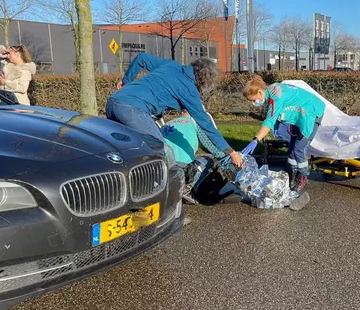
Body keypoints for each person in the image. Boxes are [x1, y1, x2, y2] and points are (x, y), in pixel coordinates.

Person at [107, 53, 243, 168]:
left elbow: (141, 57)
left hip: (113, 102)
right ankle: (173, 190)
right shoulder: (189, 90)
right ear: (205, 79)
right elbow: (206, 124)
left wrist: (126, 81)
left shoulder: (171, 65)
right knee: (162, 151)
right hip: (132, 110)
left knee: (125, 152)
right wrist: (231, 152)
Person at [242, 75, 325, 195]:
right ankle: (291, 173)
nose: (254, 103)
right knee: (291, 147)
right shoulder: (271, 91)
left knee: (299, 147)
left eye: (253, 100)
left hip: (311, 111)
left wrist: (256, 140)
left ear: (260, 92)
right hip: (301, 111)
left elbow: (269, 121)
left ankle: (303, 178)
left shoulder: (275, 98)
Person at [161, 109, 243, 205]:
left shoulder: (167, 124)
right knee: (207, 161)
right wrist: (228, 158)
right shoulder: (194, 123)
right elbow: (210, 146)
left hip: (162, 162)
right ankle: (188, 188)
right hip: (181, 163)